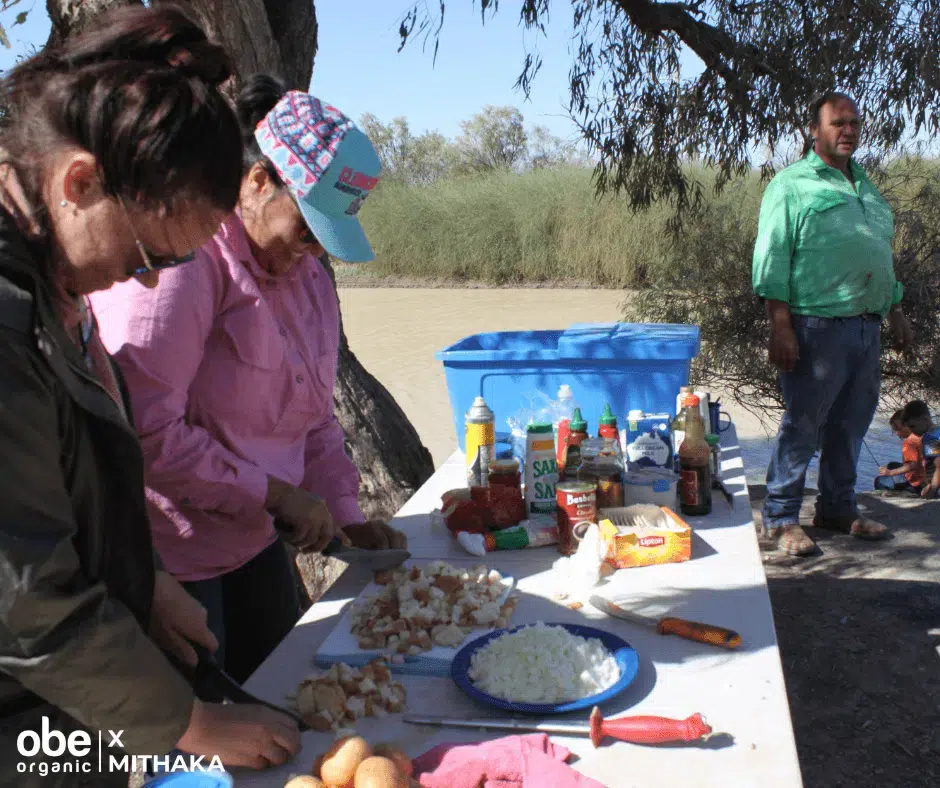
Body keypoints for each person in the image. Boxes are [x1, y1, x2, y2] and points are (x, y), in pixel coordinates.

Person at [0, 7, 301, 786]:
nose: (141, 285)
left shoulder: (49, 281)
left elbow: (71, 488)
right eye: (145, 259)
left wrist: (146, 584)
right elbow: (25, 601)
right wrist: (192, 724)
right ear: (80, 182)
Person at [89, 75, 407, 686]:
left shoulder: (308, 278)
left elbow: (313, 417)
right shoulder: (187, 266)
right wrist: (277, 495)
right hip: (172, 557)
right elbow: (144, 433)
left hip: (255, 539)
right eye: (308, 226)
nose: (313, 250)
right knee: (203, 748)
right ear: (258, 181)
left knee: (281, 702)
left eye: (325, 239)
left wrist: (342, 513)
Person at [752, 90, 914, 557]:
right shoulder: (792, 184)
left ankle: (837, 509)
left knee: (851, 424)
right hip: (815, 327)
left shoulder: (866, 188)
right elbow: (773, 256)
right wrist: (779, 325)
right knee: (803, 424)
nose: (848, 131)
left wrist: (896, 310)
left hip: (867, 327)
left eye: (854, 123)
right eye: (838, 123)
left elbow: (879, 256)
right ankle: (781, 517)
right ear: (814, 130)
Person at [874, 409, 924, 494]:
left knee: (879, 481)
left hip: (915, 484)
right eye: (894, 430)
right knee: (891, 464)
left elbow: (912, 465)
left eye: (898, 429)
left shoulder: (909, 442)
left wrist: (890, 472)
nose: (897, 433)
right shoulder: (921, 435)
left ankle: (899, 493)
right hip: (925, 476)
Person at [899, 400, 940, 499]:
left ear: (925, 419)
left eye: (913, 426)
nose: (911, 430)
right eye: (909, 427)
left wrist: (932, 489)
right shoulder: (935, 433)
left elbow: (938, 466)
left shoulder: (932, 438)